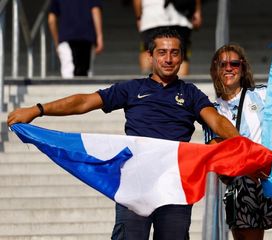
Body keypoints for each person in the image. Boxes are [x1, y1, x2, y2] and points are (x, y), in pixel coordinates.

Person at [7, 27, 245, 240]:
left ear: (182, 57)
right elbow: (83, 102)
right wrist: (38, 109)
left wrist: (240, 143)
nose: (168, 58)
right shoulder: (132, 89)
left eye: (174, 53)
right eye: (162, 52)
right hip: (135, 181)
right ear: (149, 56)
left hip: (173, 182)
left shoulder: (191, 93)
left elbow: (216, 120)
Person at [204, 42, 272, 240]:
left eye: (234, 64)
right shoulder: (211, 110)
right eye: (222, 64)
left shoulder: (264, 93)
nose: (228, 68)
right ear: (214, 69)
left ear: (242, 68)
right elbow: (216, 153)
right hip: (242, 186)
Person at [132, 0, 202, 76]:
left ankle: (146, 82)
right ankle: (181, 85)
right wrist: (197, 11)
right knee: (180, 53)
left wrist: (139, 17)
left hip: (152, 16)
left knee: (147, 50)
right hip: (181, 17)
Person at [48, 0, 104, 78]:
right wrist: (99, 37)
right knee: (86, 74)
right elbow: (95, 11)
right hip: (87, 38)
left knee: (68, 74)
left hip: (66, 38)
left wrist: (57, 43)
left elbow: (51, 20)